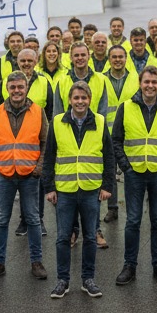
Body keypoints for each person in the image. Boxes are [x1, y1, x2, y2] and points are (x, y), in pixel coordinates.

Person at [112, 66, 157, 285]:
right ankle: (129, 266)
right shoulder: (126, 107)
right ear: (140, 83)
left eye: (154, 82)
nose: (150, 86)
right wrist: (126, 166)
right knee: (133, 220)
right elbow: (115, 139)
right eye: (146, 82)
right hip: (134, 172)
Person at [45, 82, 116, 299]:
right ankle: (63, 281)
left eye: (84, 98)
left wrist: (107, 186)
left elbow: (109, 156)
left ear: (89, 99)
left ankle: (88, 279)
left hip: (90, 188)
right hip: (65, 189)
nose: (80, 102)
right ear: (69, 100)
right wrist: (49, 187)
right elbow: (48, 156)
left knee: (91, 238)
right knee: (63, 237)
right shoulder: (57, 122)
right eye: (76, 98)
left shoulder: (101, 122)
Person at [0, 72, 49, 281]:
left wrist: (38, 169)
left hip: (30, 175)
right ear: (7, 89)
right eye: (13, 87)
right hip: (4, 176)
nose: (17, 91)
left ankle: (36, 262)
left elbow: (46, 144)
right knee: (1, 220)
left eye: (20, 87)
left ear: (26, 88)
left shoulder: (38, 112)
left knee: (33, 220)